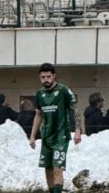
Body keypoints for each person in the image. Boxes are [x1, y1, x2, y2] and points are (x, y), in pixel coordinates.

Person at [29, 63, 81, 193]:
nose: (45, 80)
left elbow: (75, 109)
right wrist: (32, 136)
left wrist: (78, 130)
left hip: (61, 136)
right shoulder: (39, 93)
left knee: (58, 168)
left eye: (48, 76)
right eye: (43, 77)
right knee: (48, 170)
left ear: (54, 76)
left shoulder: (63, 90)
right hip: (46, 136)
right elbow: (38, 115)